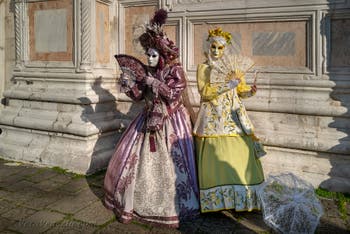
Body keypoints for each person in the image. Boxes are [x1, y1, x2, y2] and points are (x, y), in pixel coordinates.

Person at [104, 9, 199, 227]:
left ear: (163, 55)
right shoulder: (147, 71)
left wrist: (154, 83)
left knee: (171, 165)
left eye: (154, 54)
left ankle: (170, 206)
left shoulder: (175, 71)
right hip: (148, 119)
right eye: (148, 54)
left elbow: (174, 94)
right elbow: (139, 97)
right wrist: (130, 85)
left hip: (171, 122)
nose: (149, 58)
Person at [193, 27, 266, 213]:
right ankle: (217, 202)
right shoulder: (203, 68)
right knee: (216, 156)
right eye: (213, 48)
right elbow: (205, 92)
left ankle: (240, 198)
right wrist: (226, 86)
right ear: (208, 48)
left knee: (240, 155)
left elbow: (240, 91)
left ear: (226, 49)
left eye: (220, 48)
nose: (216, 52)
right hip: (213, 117)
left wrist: (250, 91)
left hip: (234, 116)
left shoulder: (233, 68)